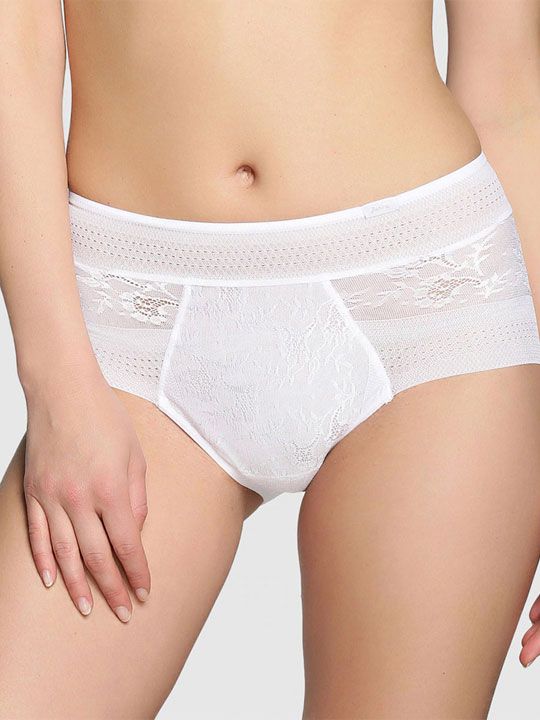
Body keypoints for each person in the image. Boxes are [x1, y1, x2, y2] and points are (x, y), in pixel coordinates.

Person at [1, 1, 539, 718]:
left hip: (432, 303)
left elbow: (510, 90)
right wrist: (56, 383)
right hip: (133, 315)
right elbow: (13, 42)